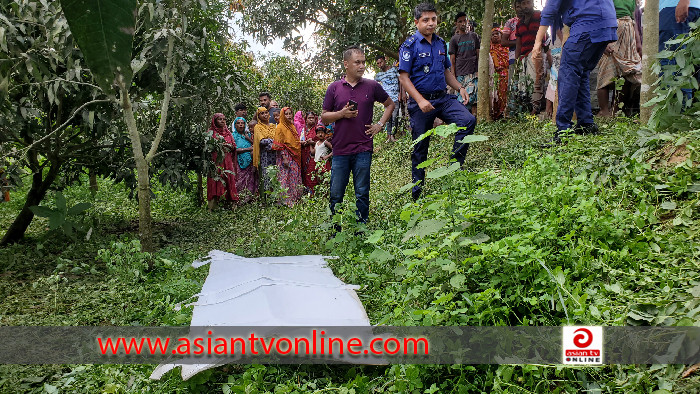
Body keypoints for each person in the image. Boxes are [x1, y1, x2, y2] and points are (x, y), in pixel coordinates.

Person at [398, 3, 477, 201]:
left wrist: (460, 87)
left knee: (468, 120)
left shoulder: (442, 43)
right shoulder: (409, 46)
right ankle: (418, 194)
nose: (431, 23)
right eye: (425, 20)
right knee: (420, 148)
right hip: (420, 104)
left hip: (442, 98)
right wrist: (420, 100)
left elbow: (446, 71)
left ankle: (454, 167)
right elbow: (404, 78)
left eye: (433, 19)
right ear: (416, 22)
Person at [321, 46, 395, 229]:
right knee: (336, 194)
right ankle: (334, 231)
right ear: (346, 64)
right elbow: (324, 116)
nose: (362, 66)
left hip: (363, 148)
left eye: (363, 62)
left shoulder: (372, 86)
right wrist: (341, 114)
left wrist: (379, 125)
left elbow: (390, 104)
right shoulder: (334, 88)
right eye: (357, 62)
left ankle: (360, 229)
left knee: (362, 192)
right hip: (340, 149)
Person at [533, 0, 618, 142]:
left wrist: (537, 43)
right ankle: (586, 123)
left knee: (568, 74)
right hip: (607, 24)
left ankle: (563, 130)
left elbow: (550, 9)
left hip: (588, 24)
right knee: (582, 72)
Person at [596, 0, 642, 117]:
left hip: (628, 32)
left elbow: (633, 19)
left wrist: (637, 41)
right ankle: (604, 110)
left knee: (626, 72)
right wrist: (603, 41)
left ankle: (616, 110)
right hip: (610, 29)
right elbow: (598, 14)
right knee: (605, 71)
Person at [659, 0, 700, 101]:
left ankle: (677, 112)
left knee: (672, 60)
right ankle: (687, 110)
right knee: (687, 62)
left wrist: (684, 1)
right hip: (680, 7)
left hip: (676, 7)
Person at [515, 0, 546, 115]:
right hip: (524, 55)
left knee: (536, 80)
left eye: (528, 3)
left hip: (537, 52)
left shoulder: (539, 15)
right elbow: (518, 43)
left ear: (533, 3)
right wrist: (517, 60)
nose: (526, 6)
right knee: (525, 82)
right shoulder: (520, 23)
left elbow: (545, 32)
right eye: (523, 3)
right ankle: (528, 108)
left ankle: (536, 108)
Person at [449, 12, 480, 114]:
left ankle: (473, 121)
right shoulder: (454, 39)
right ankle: (463, 120)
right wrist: (453, 75)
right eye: (460, 21)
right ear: (456, 24)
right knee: (462, 99)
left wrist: (479, 71)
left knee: (473, 98)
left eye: (465, 20)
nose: (463, 23)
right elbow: (452, 60)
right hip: (460, 74)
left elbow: (478, 55)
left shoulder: (474, 36)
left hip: (473, 72)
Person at [206, 113, 238, 211]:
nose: (223, 121)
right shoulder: (211, 132)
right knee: (215, 180)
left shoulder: (228, 133)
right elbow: (207, 147)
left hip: (227, 161)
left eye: (224, 119)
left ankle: (231, 205)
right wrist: (218, 146)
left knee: (229, 180)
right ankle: (213, 206)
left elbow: (233, 146)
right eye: (220, 119)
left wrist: (229, 146)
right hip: (216, 161)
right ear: (215, 121)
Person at [272, 107, 303, 206]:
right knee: (285, 177)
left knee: (294, 176)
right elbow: (279, 144)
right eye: (287, 114)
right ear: (283, 115)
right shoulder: (280, 127)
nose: (289, 116)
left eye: (290, 113)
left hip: (294, 155)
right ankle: (285, 201)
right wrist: (284, 157)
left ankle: (294, 198)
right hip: (285, 156)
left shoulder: (292, 126)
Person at [374, 55, 402, 142]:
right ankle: (389, 136)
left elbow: (401, 81)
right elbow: (374, 86)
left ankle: (393, 135)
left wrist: (401, 93)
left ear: (385, 61)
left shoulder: (394, 69)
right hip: (386, 99)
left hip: (395, 96)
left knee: (394, 117)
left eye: (381, 62)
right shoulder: (378, 75)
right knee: (388, 118)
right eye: (378, 63)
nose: (380, 65)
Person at [252, 107, 277, 197]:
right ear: (258, 116)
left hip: (275, 154)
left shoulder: (273, 126)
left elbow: (278, 139)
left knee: (275, 174)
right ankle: (266, 198)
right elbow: (261, 141)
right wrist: (273, 141)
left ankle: (275, 197)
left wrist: (270, 141)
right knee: (266, 175)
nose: (265, 115)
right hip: (265, 155)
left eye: (266, 112)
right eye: (262, 113)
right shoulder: (257, 127)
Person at [232, 117, 258, 203]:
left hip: (250, 162)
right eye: (238, 123)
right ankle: (239, 199)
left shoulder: (249, 135)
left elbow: (255, 145)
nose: (240, 125)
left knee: (251, 181)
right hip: (239, 162)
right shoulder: (233, 136)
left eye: (242, 123)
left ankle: (249, 199)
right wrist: (247, 149)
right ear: (235, 125)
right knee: (239, 181)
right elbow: (234, 149)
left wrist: (248, 139)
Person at [490, 27, 510, 119]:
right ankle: (494, 113)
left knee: (504, 93)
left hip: (505, 74)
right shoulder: (489, 48)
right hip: (493, 75)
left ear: (501, 35)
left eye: (497, 34)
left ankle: (502, 113)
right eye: (493, 34)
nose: (495, 36)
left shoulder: (506, 47)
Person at [299, 111, 319, 194]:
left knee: (311, 174)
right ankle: (305, 194)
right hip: (303, 155)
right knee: (304, 173)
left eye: (312, 118)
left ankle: (312, 195)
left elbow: (321, 142)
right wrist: (301, 142)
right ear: (306, 120)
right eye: (309, 118)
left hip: (313, 156)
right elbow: (299, 140)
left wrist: (312, 143)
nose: (311, 120)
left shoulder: (317, 129)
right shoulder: (303, 130)